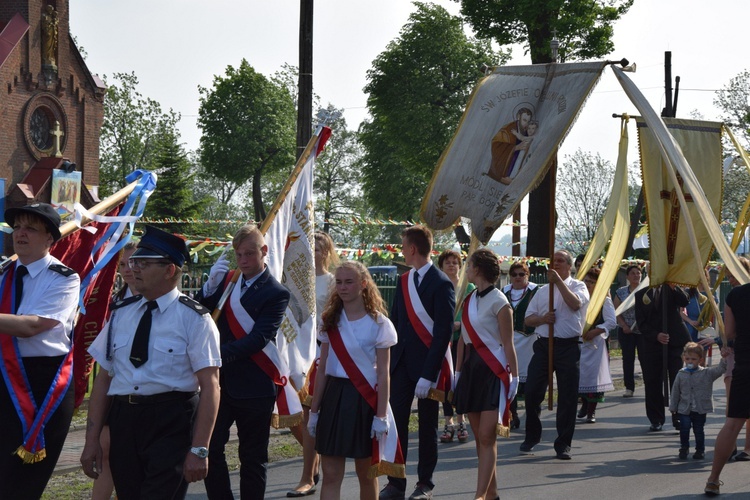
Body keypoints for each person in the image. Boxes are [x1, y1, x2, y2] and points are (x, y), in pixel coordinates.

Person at [81, 225, 221, 499]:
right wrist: (91, 441)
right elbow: (103, 380)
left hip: (171, 419)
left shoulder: (195, 319)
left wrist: (199, 449)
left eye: (144, 263)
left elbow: (211, 387)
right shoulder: (121, 314)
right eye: (134, 262)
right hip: (124, 421)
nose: (134, 269)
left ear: (169, 270)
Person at [196, 224, 291, 500]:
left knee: (252, 458)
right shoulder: (228, 282)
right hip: (220, 385)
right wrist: (209, 287)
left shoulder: (276, 292)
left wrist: (215, 356)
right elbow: (202, 314)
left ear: (264, 251)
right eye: (238, 254)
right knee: (210, 448)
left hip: (255, 384)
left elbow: (259, 338)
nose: (243, 260)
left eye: (249, 253)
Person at [0, 202, 79, 499]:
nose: (20, 233)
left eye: (31, 228)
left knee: (21, 482)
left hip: (41, 382)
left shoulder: (64, 278)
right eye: (17, 227)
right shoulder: (4, 272)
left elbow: (32, 326)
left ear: (50, 239)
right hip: (3, 377)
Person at [308, 261, 402, 499]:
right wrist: (315, 410)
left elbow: (383, 374)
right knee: (330, 474)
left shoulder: (380, 324)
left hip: (364, 400)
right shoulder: (329, 319)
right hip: (334, 396)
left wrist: (381, 416)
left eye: (349, 282)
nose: (342, 287)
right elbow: (322, 369)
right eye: (338, 282)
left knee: (366, 473)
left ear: (363, 284)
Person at [380, 225, 455, 500]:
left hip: (428, 369)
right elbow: (396, 323)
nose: (401, 249)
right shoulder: (403, 281)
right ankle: (396, 483)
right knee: (396, 424)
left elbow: (443, 332)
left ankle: (425, 484)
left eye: (403, 245)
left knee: (427, 426)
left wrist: (429, 374)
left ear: (412, 249)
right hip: (401, 366)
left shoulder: (442, 282)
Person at [453, 248, 517, 500]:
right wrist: (457, 372)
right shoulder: (469, 300)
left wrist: (515, 377)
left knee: (487, 435)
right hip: (471, 370)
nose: (465, 270)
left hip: (493, 370)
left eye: (468, 266)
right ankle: (492, 494)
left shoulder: (501, 302)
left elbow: (508, 343)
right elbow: (462, 340)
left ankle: (479, 495)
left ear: (478, 269)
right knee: (480, 439)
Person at [520, 250, 589, 460]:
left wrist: (559, 282)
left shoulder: (578, 286)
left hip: (568, 346)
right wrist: (543, 319)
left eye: (560, 261)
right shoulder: (542, 292)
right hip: (543, 345)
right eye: (554, 261)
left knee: (568, 396)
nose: (556, 264)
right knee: (531, 391)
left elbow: (575, 304)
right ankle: (532, 435)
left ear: (569, 266)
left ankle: (563, 444)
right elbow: (528, 319)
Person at [287, 231, 338, 497]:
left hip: (323, 353)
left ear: (327, 252)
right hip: (298, 353)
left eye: (318, 248)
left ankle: (311, 473)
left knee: (314, 416)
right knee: (300, 414)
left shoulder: (332, 283)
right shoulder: (297, 280)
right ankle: (310, 469)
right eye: (310, 248)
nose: (314, 253)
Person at [91, 240, 139, 500]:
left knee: (130, 461)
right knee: (106, 450)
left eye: (133, 262)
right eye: (122, 264)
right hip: (115, 386)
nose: (128, 269)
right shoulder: (115, 304)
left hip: (146, 395)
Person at [634, 283, 690, 432]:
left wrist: (673, 287)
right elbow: (641, 322)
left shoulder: (672, 289)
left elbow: (685, 301)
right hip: (652, 344)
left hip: (674, 342)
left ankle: (678, 415)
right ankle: (656, 419)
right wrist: (656, 335)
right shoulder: (641, 294)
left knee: (677, 380)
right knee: (652, 381)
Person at [437, 249, 474, 444]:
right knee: (445, 383)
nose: (451, 265)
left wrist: (461, 324)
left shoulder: (469, 287)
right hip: (444, 342)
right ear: (441, 266)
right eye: (447, 262)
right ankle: (448, 422)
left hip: (463, 340)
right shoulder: (438, 286)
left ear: (460, 266)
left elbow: (474, 313)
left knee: (460, 381)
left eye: (455, 262)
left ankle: (462, 421)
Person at [669, 342, 726, 461]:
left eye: (694, 359)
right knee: (684, 428)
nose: (690, 361)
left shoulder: (706, 373)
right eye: (688, 358)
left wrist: (724, 357)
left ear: (700, 360)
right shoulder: (681, 374)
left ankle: (700, 450)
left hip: (700, 409)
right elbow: (675, 391)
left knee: (698, 430)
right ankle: (684, 447)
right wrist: (673, 407)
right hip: (684, 408)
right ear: (684, 358)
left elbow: (720, 369)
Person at [718, 257, 750, 462]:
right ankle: (733, 446)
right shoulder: (733, 295)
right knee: (734, 406)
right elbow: (727, 335)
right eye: (728, 276)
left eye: (733, 274)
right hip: (736, 355)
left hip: (743, 356)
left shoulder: (735, 297)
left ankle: (714, 477)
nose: (731, 279)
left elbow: (729, 331)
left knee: (734, 412)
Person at [502, 261, 538, 429]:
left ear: (527, 275)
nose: (517, 277)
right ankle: (513, 413)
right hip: (508, 340)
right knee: (510, 377)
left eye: (521, 274)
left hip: (530, 340)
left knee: (531, 379)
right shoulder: (504, 291)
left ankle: (533, 414)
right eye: (514, 274)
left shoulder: (536, 290)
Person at [577, 268, 616, 424]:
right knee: (580, 375)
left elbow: (611, 321)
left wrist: (596, 331)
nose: (588, 284)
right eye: (586, 281)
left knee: (593, 378)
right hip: (578, 342)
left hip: (595, 344)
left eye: (592, 282)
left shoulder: (604, 301)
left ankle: (591, 411)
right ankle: (584, 404)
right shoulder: (579, 298)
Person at [613, 265, 642, 398]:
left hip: (643, 331)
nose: (636, 275)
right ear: (628, 276)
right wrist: (624, 325)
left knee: (646, 359)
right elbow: (617, 311)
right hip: (626, 331)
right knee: (628, 359)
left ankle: (649, 384)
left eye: (638, 273)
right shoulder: (621, 292)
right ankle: (629, 387)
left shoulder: (646, 290)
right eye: (633, 273)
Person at [487, 107, 533, 184]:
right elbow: (495, 144)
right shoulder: (508, 129)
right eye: (524, 120)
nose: (526, 124)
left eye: (528, 121)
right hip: (503, 170)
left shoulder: (527, 131)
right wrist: (515, 148)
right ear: (519, 117)